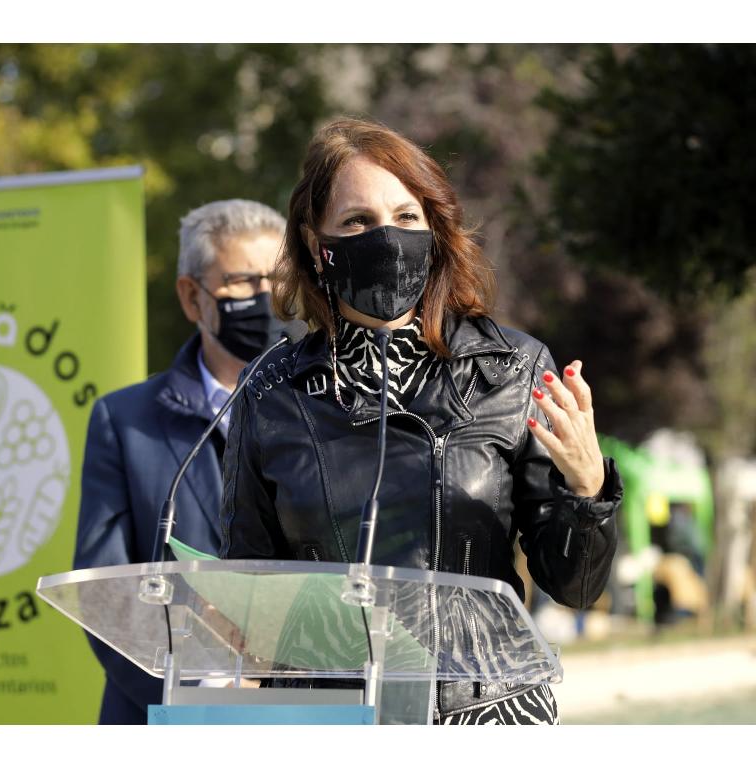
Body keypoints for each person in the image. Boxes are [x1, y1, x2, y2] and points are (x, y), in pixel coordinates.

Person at [218, 118, 624, 725]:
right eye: (357, 221)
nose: (386, 239)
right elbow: (248, 585)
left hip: (489, 715)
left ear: (434, 229)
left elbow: (576, 589)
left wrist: (588, 488)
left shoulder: (512, 372)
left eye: (407, 217)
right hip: (333, 720)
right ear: (314, 241)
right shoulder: (274, 390)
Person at [74, 199, 285, 724]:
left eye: (277, 280)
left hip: (308, 712)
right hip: (166, 717)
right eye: (243, 281)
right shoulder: (124, 423)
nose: (266, 298)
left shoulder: (338, 412)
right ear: (193, 298)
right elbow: (106, 593)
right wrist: (198, 697)